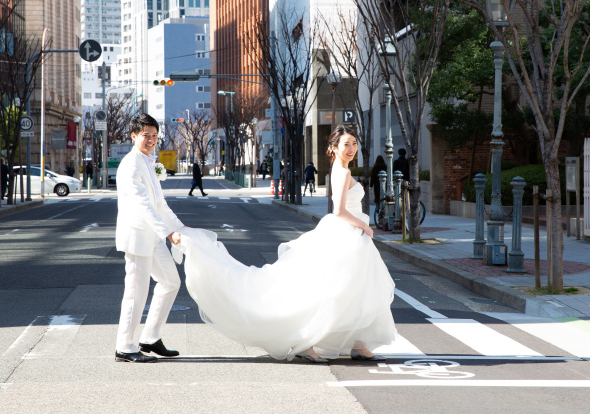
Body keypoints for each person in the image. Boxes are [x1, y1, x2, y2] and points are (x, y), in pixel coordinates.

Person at [172, 125, 396, 362]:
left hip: (346, 235)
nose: (351, 149)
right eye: (346, 144)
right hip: (345, 234)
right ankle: (308, 341)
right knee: (335, 289)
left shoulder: (340, 169)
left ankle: (358, 343)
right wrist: (364, 225)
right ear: (333, 148)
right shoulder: (342, 172)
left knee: (354, 288)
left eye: (354, 144)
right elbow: (339, 210)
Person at [114, 113, 186, 363]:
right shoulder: (131, 165)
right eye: (146, 135)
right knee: (136, 293)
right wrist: (168, 232)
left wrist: (181, 229)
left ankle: (150, 337)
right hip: (137, 237)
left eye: (155, 136)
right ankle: (125, 346)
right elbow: (143, 205)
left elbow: (160, 205)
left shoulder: (148, 161)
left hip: (153, 237)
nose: (151, 140)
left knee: (170, 281)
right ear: (133, 136)